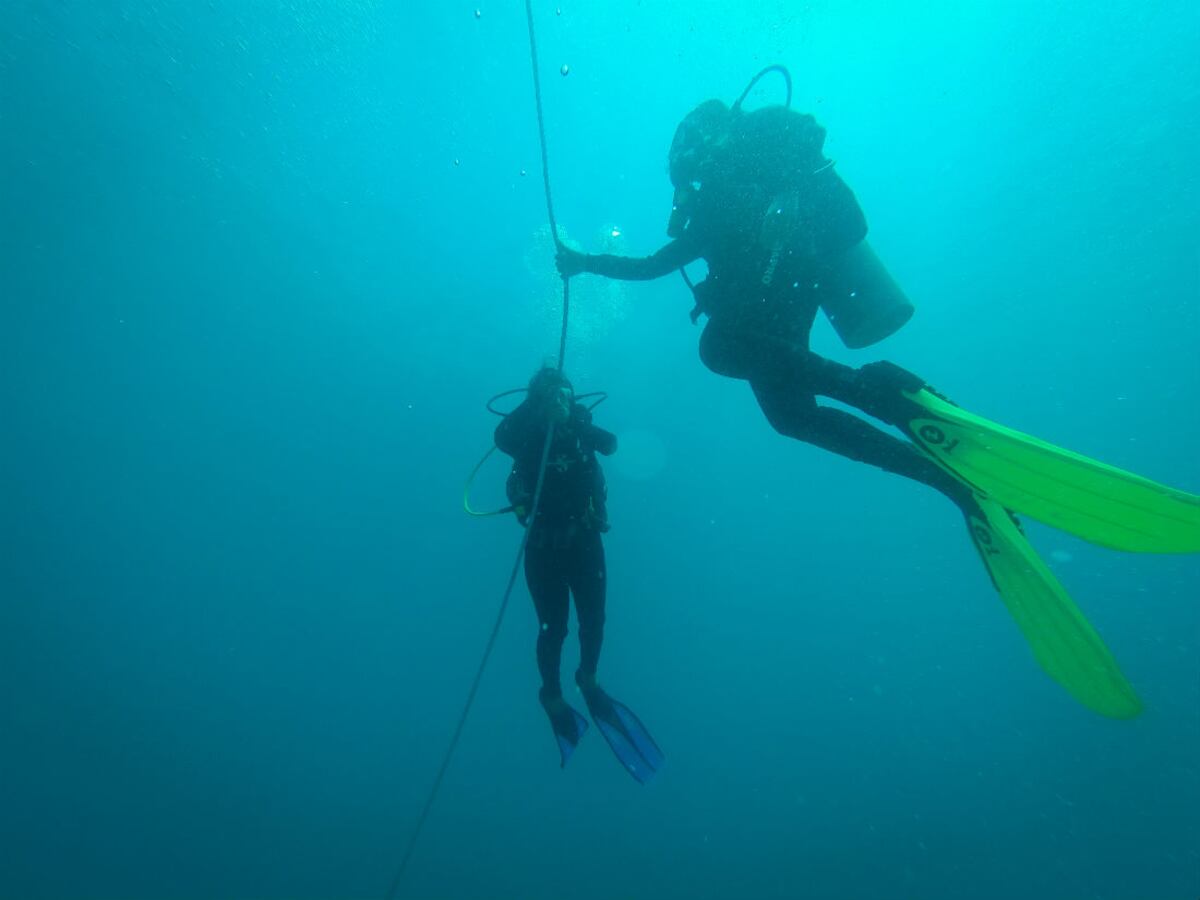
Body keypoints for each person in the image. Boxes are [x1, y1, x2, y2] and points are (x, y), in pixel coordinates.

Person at [553, 79, 1200, 719]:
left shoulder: (726, 187)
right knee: (790, 416)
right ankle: (950, 479)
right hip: (788, 295)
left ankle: (884, 391)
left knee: (719, 349)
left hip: (768, 302)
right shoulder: (746, 183)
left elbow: (654, 265)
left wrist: (584, 264)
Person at [494, 366, 664, 782]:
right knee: (553, 629)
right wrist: (536, 411)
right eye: (553, 396)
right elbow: (501, 440)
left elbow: (610, 444)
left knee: (594, 620)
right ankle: (551, 696)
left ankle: (588, 679)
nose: (561, 402)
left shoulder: (579, 426)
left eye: (566, 395)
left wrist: (573, 419)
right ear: (535, 400)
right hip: (542, 544)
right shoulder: (527, 433)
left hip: (585, 540)